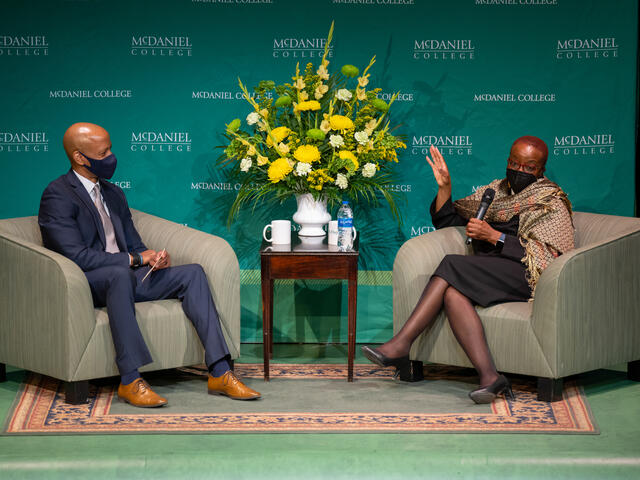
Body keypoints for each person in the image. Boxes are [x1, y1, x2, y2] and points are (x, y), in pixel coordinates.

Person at [38, 122, 261, 407]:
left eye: (110, 150)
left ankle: (220, 371)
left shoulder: (113, 193)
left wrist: (152, 256)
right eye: (104, 153)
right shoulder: (58, 194)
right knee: (119, 273)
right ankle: (130, 380)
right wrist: (132, 260)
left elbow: (134, 244)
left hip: (124, 278)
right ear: (80, 157)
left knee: (192, 273)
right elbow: (76, 256)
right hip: (86, 283)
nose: (111, 158)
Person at [362, 136, 574, 403]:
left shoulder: (549, 200)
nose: (519, 171)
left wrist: (494, 237)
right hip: (491, 272)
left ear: (541, 170)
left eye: (528, 167)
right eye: (514, 163)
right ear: (507, 161)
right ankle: (490, 377)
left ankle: (402, 343)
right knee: (452, 294)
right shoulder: (495, 192)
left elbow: (551, 258)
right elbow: (448, 221)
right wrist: (445, 189)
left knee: (452, 263)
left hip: (527, 276)